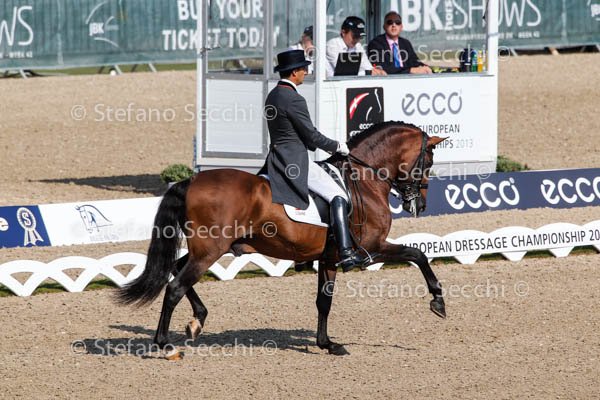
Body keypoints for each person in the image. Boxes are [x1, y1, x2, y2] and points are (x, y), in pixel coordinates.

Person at [259, 49, 366, 271]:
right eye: (303, 69)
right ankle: (346, 253)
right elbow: (311, 135)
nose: (306, 73)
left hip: (275, 158)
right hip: (294, 161)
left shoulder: (273, 95)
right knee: (337, 195)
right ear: (294, 72)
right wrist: (338, 146)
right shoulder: (294, 98)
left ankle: (306, 255)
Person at [367, 11, 432, 75]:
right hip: (388, 80)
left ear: (401, 27)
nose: (394, 25)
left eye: (397, 22)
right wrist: (410, 70)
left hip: (408, 79)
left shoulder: (405, 43)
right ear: (384, 26)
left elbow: (415, 62)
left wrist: (426, 68)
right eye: (390, 22)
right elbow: (381, 68)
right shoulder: (376, 43)